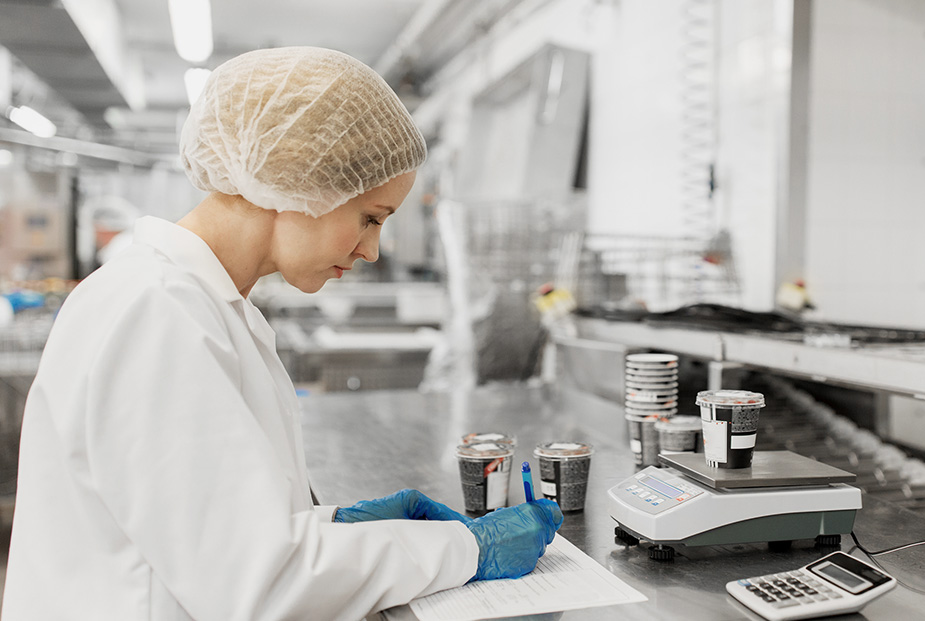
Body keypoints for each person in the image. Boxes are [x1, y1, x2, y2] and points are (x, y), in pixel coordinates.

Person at [2, 47, 562, 620]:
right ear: (299, 180)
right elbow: (257, 584)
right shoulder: (157, 312)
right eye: (370, 217)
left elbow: (213, 531)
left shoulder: (206, 305)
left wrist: (334, 524)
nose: (371, 250)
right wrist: (467, 549)